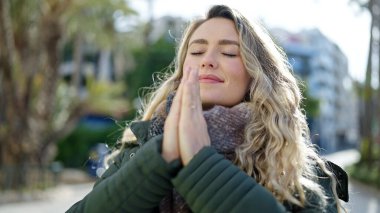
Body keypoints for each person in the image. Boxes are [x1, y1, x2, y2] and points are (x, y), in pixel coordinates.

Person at [67, 4, 349, 213]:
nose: (208, 61)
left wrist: (198, 161)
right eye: (197, 51)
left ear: (256, 73)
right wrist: (163, 155)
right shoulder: (139, 148)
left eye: (228, 52)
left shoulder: (302, 171)